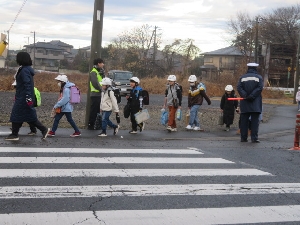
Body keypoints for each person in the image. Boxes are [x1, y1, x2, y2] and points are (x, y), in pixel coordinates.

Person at [5, 52, 49, 141]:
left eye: (17, 58)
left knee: (17, 114)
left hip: (23, 97)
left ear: (21, 59)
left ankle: (15, 134)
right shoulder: (25, 69)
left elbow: (27, 84)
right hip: (22, 96)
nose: (16, 59)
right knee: (26, 116)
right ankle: (43, 129)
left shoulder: (24, 70)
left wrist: (28, 97)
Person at [237, 62, 263, 143]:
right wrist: (252, 96)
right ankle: (254, 138)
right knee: (255, 122)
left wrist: (245, 95)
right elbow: (259, 88)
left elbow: (239, 87)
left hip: (245, 102)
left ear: (248, 68)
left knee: (244, 121)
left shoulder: (242, 77)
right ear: (255, 68)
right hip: (255, 102)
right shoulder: (259, 77)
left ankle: (243, 138)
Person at [88, 58, 104, 130]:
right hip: (95, 94)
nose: (103, 64)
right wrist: (102, 89)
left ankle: (96, 125)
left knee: (98, 110)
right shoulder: (94, 72)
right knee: (94, 110)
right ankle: (91, 125)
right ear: (98, 63)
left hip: (99, 94)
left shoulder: (100, 72)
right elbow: (95, 83)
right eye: (102, 63)